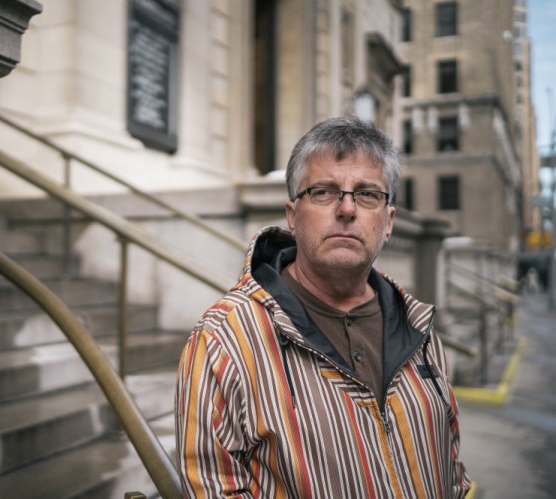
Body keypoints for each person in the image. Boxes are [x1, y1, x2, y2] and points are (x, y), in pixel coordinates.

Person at [175, 116, 471, 498]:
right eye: (324, 192)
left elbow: (451, 471)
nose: (347, 210)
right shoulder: (224, 340)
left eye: (367, 194)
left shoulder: (419, 328)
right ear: (293, 216)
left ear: (389, 222)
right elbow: (211, 487)